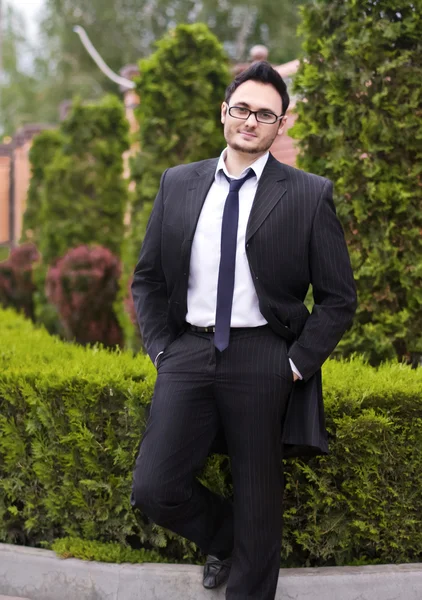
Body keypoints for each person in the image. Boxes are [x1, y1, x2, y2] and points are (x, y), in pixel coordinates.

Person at [131, 61, 357, 600]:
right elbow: (148, 279)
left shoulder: (308, 194)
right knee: (155, 487)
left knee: (260, 499)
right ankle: (231, 539)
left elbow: (338, 299)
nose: (249, 121)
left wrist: (297, 362)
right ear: (224, 113)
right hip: (188, 350)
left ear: (281, 123)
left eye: (264, 113)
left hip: (264, 358)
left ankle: (250, 556)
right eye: (241, 109)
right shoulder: (179, 183)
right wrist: (162, 348)